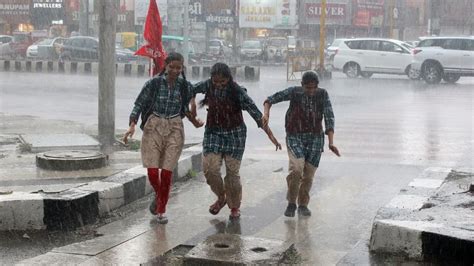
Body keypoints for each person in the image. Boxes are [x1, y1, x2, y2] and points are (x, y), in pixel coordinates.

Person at [192, 62, 281, 220]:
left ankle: (234, 206)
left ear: (229, 79)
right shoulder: (208, 85)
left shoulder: (237, 91)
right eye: (216, 82)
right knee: (210, 170)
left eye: (222, 82)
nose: (218, 85)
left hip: (235, 134)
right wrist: (192, 107)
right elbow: (189, 90)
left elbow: (256, 113)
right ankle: (221, 197)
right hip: (213, 132)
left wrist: (271, 136)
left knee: (232, 174)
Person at [123, 52, 203, 224]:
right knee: (153, 172)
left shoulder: (185, 86)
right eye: (171, 67)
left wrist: (194, 119)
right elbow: (139, 104)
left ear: (182, 68)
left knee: (166, 173)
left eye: (178, 68)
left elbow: (187, 108)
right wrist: (132, 124)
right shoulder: (153, 84)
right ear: (165, 66)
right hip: (153, 126)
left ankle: (161, 210)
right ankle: (160, 196)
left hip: (175, 127)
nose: (174, 71)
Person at [262, 71, 340, 217]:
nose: (310, 91)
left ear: (317, 86)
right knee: (296, 169)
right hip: (294, 136)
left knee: (308, 175)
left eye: (313, 88)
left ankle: (303, 204)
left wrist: (331, 142)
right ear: (302, 85)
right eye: (307, 88)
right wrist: (266, 114)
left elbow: (329, 116)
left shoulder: (323, 94)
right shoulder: (294, 92)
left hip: (316, 139)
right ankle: (291, 202)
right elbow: (269, 100)